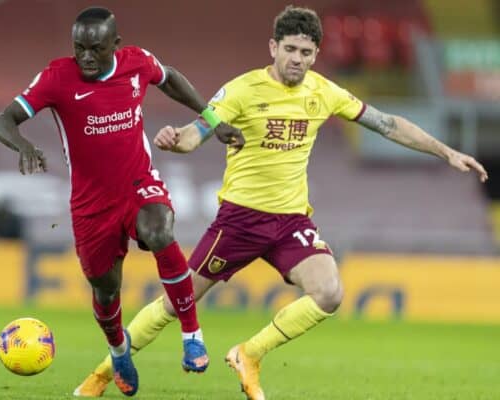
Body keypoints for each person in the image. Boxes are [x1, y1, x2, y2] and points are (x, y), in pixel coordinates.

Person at [74, 6, 489, 400]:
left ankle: (249, 354)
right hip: (239, 221)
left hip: (290, 221)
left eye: (306, 52)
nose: (297, 59)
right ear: (273, 47)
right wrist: (174, 140)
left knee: (329, 293)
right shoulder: (242, 89)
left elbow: (386, 124)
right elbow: (196, 132)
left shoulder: (323, 91)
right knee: (173, 304)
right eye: (290, 49)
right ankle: (100, 375)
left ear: (315, 55)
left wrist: (446, 151)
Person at [0, 6, 244, 397]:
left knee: (159, 230)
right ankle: (119, 349)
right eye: (80, 48)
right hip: (91, 204)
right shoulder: (57, 77)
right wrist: (23, 145)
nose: (87, 57)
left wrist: (211, 118)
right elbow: (2, 120)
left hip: (137, 183)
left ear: (116, 45)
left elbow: (171, 78)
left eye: (96, 48)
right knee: (106, 290)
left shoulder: (137, 63)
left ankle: (192, 334)